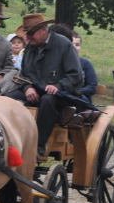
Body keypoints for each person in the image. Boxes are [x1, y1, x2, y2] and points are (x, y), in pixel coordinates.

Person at [19, 12, 84, 161]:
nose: (28, 37)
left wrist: (59, 86)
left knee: (47, 100)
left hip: (62, 96)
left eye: (31, 34)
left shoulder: (64, 45)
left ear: (43, 30)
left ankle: (39, 146)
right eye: (27, 34)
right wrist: (27, 87)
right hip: (35, 91)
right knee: (9, 98)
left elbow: (76, 76)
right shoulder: (30, 48)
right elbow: (23, 74)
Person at [72, 32, 98, 101]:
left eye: (77, 45)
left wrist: (77, 91)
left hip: (82, 99)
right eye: (71, 44)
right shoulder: (59, 63)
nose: (74, 47)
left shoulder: (86, 64)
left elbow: (92, 87)